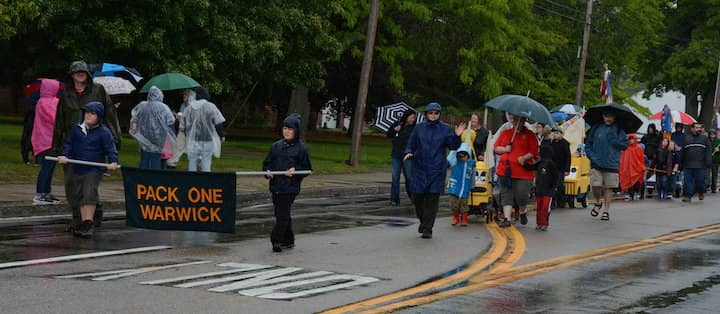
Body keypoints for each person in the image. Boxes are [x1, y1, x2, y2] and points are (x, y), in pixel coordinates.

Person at [54, 61, 121, 230]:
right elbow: (59, 121)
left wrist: (114, 140)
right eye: (77, 71)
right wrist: (57, 147)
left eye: (83, 71)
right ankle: (79, 219)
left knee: (89, 184)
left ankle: (86, 221)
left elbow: (110, 114)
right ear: (72, 74)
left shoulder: (98, 90)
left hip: (94, 145)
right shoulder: (66, 95)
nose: (80, 74)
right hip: (72, 147)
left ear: (88, 74)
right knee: (72, 186)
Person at [404, 102, 465, 239]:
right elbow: (411, 143)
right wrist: (409, 152)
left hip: (437, 168)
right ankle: (423, 221)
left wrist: (457, 136)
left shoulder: (445, 129)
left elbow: (453, 146)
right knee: (418, 198)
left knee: (432, 199)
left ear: (439, 114)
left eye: (436, 113)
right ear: (426, 114)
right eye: (430, 113)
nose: (433, 115)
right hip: (420, 167)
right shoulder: (419, 128)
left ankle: (428, 228)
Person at [57, 102, 118, 237]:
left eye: (92, 113)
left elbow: (111, 149)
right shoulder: (76, 129)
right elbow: (68, 144)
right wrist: (64, 155)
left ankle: (88, 224)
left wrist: (113, 162)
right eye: (86, 112)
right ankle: (83, 220)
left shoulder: (104, 132)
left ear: (99, 116)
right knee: (77, 194)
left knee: (88, 192)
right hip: (77, 167)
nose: (88, 115)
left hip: (94, 169)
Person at [262, 113, 312, 252]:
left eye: (290, 129)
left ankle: (276, 240)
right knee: (281, 213)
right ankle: (288, 239)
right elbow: (267, 163)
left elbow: (307, 168)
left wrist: (295, 171)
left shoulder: (302, 148)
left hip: (290, 187)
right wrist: (268, 172)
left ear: (296, 130)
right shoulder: (276, 146)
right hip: (276, 186)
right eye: (285, 128)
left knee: (282, 214)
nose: (287, 132)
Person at [493, 112, 539, 228]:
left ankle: (522, 211)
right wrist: (505, 149)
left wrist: (524, 158)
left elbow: (534, 151)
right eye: (514, 119)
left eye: (519, 119)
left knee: (521, 195)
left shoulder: (530, 135)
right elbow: (496, 148)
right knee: (506, 194)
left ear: (523, 121)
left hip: (523, 172)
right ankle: (507, 218)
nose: (517, 121)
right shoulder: (505, 133)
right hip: (505, 170)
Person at [585, 112, 628, 221]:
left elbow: (624, 146)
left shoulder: (619, 129)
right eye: (606, 116)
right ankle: (598, 202)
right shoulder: (596, 128)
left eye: (611, 116)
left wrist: (614, 140)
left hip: (612, 163)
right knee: (595, 185)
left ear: (614, 117)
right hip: (596, 162)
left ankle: (606, 210)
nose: (608, 118)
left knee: (609, 187)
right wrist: (592, 156)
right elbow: (588, 145)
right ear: (603, 116)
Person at [31, 79, 62, 205]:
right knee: (47, 167)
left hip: (48, 140)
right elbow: (54, 118)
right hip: (47, 140)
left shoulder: (46, 101)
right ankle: (40, 194)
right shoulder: (46, 102)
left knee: (50, 167)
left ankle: (46, 192)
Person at [129, 86, 176, 170]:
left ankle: (142, 179)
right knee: (156, 159)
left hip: (144, 137)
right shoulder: (164, 107)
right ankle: (154, 180)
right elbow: (171, 121)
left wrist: (135, 132)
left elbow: (134, 118)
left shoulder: (142, 105)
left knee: (144, 159)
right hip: (159, 138)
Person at [180, 87, 226, 172]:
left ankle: (192, 180)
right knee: (206, 161)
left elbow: (184, 124)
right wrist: (221, 135)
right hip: (207, 139)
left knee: (192, 160)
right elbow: (218, 122)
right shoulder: (211, 106)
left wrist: (187, 135)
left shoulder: (189, 108)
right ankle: (206, 181)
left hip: (193, 139)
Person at [524, 144, 560, 231]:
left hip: (548, 190)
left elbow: (556, 176)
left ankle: (544, 223)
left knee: (545, 207)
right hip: (539, 189)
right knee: (539, 207)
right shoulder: (540, 163)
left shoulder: (551, 164)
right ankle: (539, 223)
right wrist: (524, 163)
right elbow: (531, 167)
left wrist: (554, 186)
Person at [386, 109, 416, 206]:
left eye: (414, 117)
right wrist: (394, 130)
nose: (413, 119)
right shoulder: (397, 124)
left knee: (409, 177)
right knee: (395, 177)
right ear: (406, 117)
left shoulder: (414, 128)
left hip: (407, 156)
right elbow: (389, 135)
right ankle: (394, 199)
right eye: (411, 117)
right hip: (396, 155)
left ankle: (413, 197)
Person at [679, 122, 712, 202]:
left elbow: (708, 151)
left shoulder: (704, 138)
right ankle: (688, 196)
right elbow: (682, 152)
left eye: (700, 128)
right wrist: (680, 164)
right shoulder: (686, 138)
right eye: (697, 127)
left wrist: (708, 162)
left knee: (700, 182)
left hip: (700, 165)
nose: (699, 129)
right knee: (687, 182)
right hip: (688, 165)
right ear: (692, 129)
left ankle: (701, 192)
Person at [447, 143, 475, 226]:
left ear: (468, 155)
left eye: (464, 156)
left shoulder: (471, 163)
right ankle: (455, 217)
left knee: (464, 204)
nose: (462, 158)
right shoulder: (455, 161)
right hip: (454, 186)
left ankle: (464, 218)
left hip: (465, 186)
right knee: (453, 203)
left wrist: (472, 185)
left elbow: (473, 175)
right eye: (460, 156)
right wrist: (454, 149)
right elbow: (449, 159)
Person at [166, 89, 191, 169]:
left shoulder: (193, 107)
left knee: (194, 151)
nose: (184, 96)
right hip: (182, 131)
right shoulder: (183, 105)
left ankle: (200, 167)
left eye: (185, 95)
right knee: (177, 147)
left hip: (190, 132)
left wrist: (179, 117)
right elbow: (182, 117)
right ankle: (171, 164)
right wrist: (176, 115)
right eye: (183, 95)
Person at [619, 134, 646, 201]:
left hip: (637, 169)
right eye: (630, 139)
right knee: (629, 182)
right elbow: (623, 159)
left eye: (632, 139)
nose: (631, 141)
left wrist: (642, 166)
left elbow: (641, 159)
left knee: (637, 182)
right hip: (629, 169)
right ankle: (630, 194)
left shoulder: (638, 148)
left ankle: (636, 193)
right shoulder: (626, 148)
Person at [550, 128, 571, 208]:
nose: (555, 135)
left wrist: (567, 169)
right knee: (552, 185)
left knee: (559, 185)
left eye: (557, 133)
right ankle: (552, 202)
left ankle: (561, 201)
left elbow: (568, 157)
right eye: (554, 133)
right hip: (552, 167)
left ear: (562, 134)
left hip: (561, 168)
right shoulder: (551, 143)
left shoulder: (565, 143)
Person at [710, 129, 720, 193]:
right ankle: (706, 186)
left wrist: (718, 150)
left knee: (714, 174)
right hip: (708, 160)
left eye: (713, 134)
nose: (712, 135)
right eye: (711, 134)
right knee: (707, 175)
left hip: (716, 160)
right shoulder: (707, 141)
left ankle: (713, 188)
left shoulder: (718, 141)